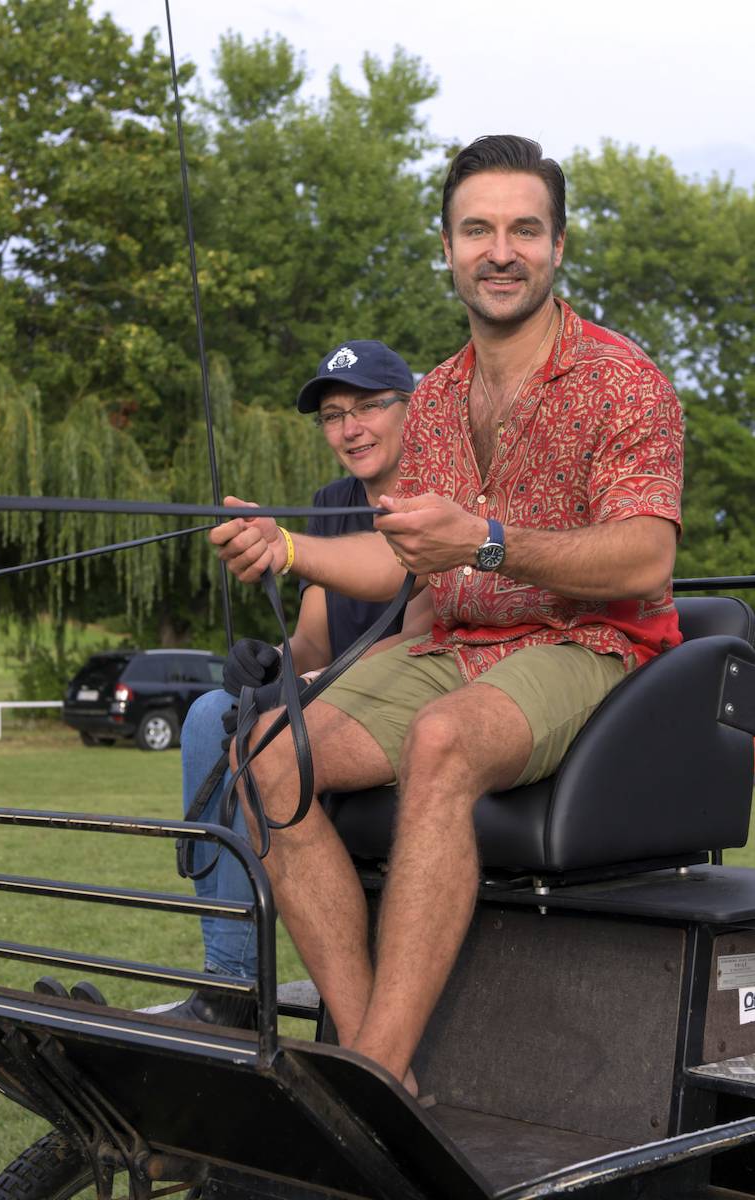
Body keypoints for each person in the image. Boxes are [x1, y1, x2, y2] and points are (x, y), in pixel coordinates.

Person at [211, 135, 683, 1091]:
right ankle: (370, 1060)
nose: (498, 250)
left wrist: (488, 540)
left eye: (522, 228)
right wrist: (287, 547)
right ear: (447, 247)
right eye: (477, 229)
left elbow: (645, 554)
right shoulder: (429, 398)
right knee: (263, 754)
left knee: (439, 742)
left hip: (582, 641)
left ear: (558, 246)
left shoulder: (623, 379)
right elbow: (400, 557)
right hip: (453, 639)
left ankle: (375, 1067)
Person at [167, 339, 432, 1026]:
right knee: (207, 715)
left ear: (412, 408)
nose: (350, 429)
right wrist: (273, 660)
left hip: (399, 692)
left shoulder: (441, 492)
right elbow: (314, 634)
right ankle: (233, 985)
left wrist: (312, 680)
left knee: (264, 732)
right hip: (325, 688)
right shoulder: (331, 502)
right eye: (333, 415)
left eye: (369, 407)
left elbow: (422, 636)